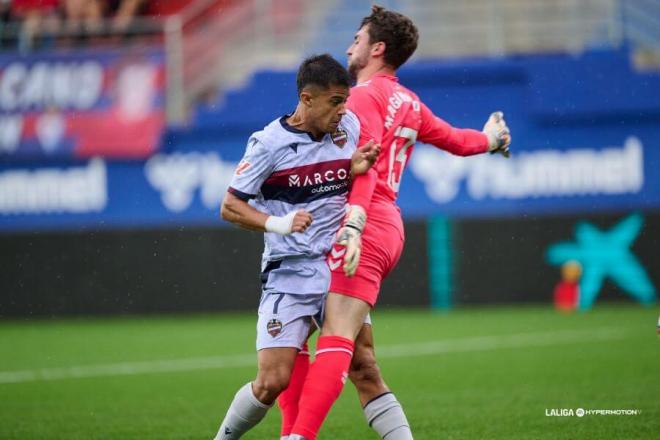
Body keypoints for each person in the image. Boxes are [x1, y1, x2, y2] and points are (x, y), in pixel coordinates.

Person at [289, 6, 511, 440]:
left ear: (377, 48)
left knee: (332, 335)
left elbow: (367, 163)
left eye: (358, 38)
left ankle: (298, 436)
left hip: (363, 223)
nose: (350, 44)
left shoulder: (364, 96)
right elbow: (457, 141)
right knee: (362, 363)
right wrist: (492, 139)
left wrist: (353, 222)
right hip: (387, 226)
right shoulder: (409, 101)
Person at [212, 54, 380, 440]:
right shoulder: (269, 144)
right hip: (289, 271)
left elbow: (354, 174)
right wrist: (277, 223)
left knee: (366, 367)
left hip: (337, 269)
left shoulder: (349, 127)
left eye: (346, 100)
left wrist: (353, 169)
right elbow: (230, 206)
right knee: (273, 381)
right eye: (335, 101)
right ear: (307, 98)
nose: (343, 110)